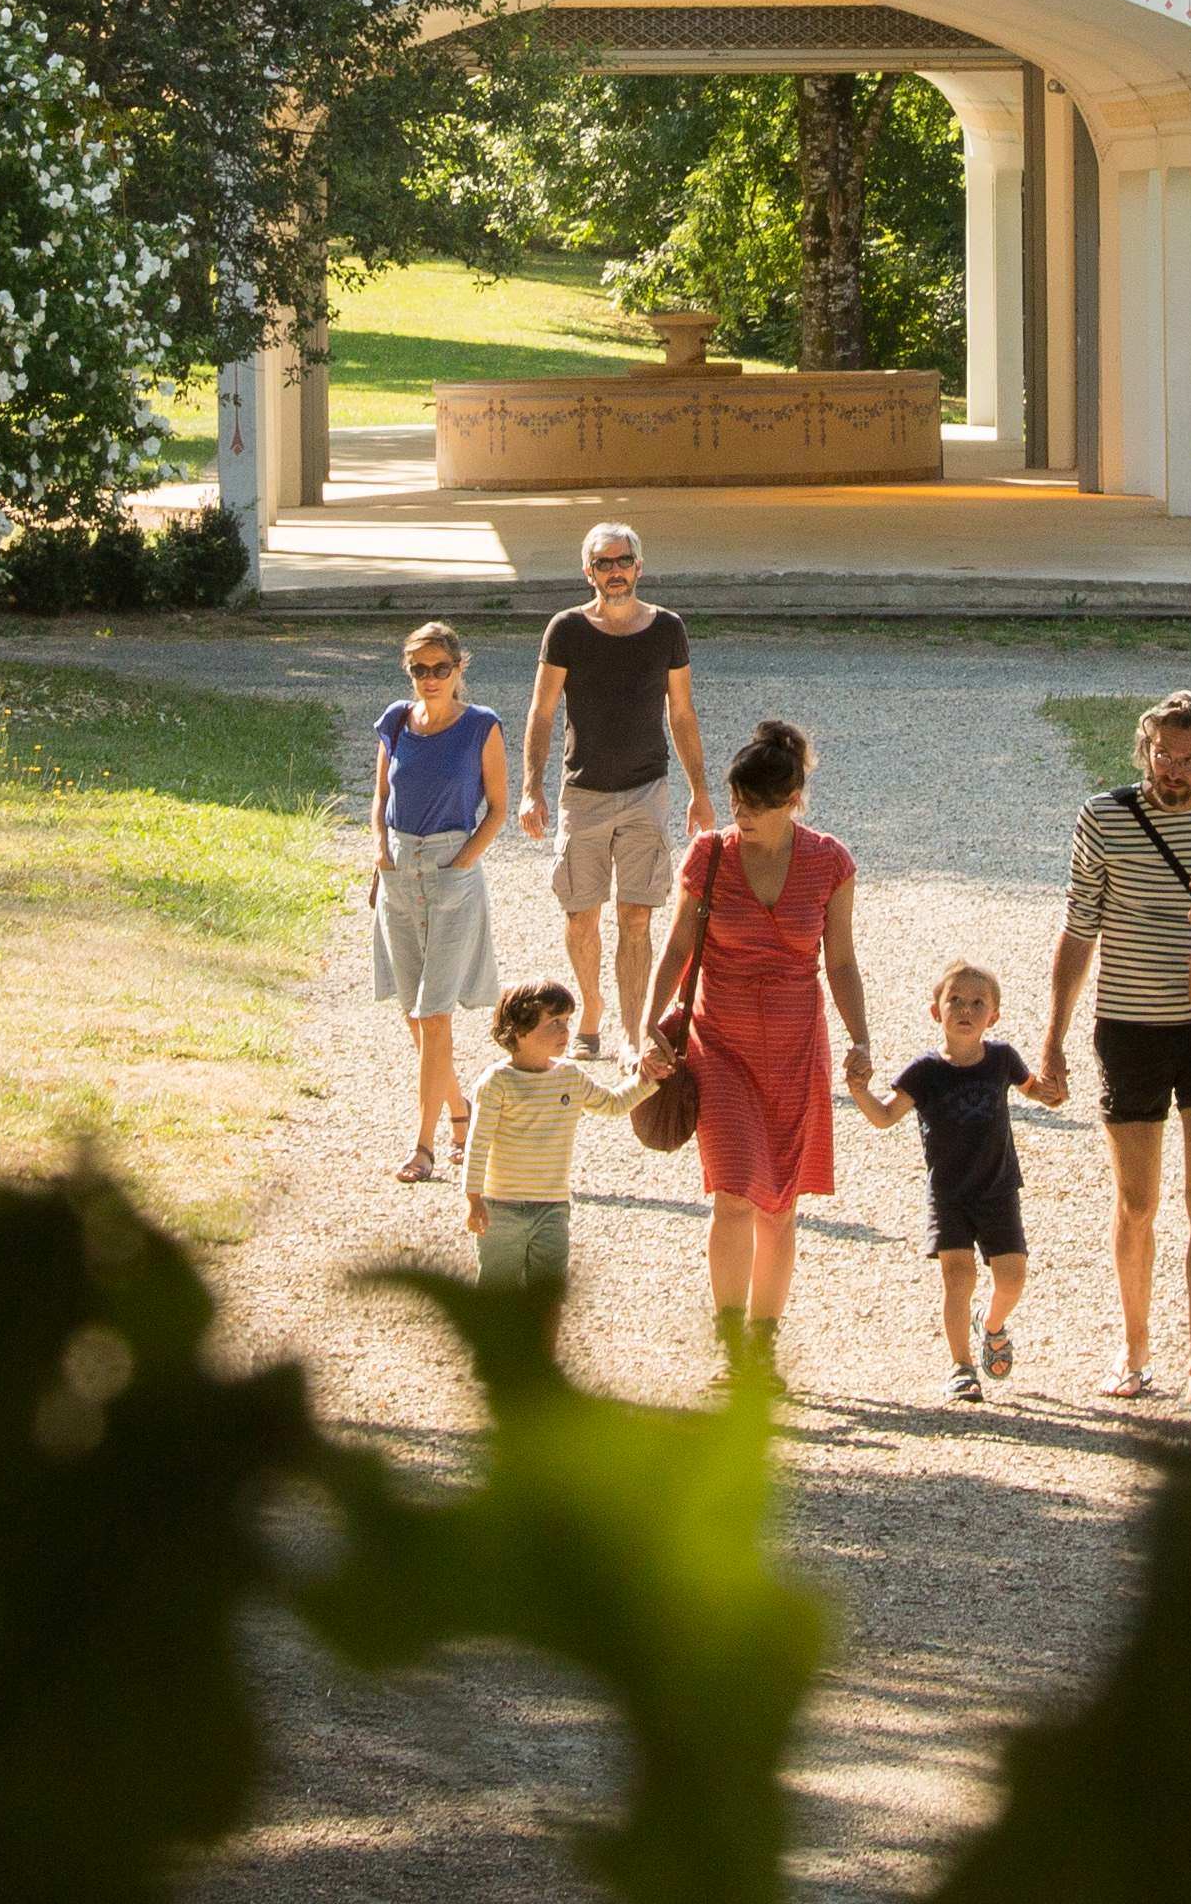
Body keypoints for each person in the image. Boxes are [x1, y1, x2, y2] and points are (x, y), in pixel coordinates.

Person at [1041, 687, 1191, 1407]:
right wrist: (1052, 1040)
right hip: (1129, 1026)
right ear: (1145, 748)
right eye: (1165, 756)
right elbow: (1080, 929)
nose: (1175, 770)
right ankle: (1135, 1348)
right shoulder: (1105, 816)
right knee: (1138, 1201)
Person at [643, 715, 874, 1386]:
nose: (740, 814)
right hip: (722, 1047)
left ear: (792, 799)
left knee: (781, 1205)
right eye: (737, 800)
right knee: (734, 1196)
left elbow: (843, 964)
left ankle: (764, 1343)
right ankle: (730, 1345)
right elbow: (679, 948)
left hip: (799, 1050)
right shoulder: (708, 855)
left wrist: (861, 1038)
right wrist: (647, 1025)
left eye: (756, 804)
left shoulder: (830, 862)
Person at [520, 523, 714, 1058]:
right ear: (588, 572)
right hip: (581, 792)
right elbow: (542, 711)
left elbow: (682, 712)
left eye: (622, 561)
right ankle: (592, 1007)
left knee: (636, 915)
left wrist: (699, 790)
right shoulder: (566, 630)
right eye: (603, 563)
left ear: (639, 566)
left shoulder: (667, 629)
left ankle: (633, 1035)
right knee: (581, 915)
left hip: (645, 791)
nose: (614, 572)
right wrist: (531, 789)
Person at [861, 963, 1064, 1402]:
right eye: (955, 1000)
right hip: (948, 1195)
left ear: (994, 1016)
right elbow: (884, 1117)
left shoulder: (1003, 1059)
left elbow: (1033, 1089)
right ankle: (961, 1367)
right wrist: (858, 1089)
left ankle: (990, 1325)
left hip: (998, 1189)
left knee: (1011, 1279)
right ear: (936, 1011)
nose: (966, 1010)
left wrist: (1050, 1092)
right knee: (958, 1278)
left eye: (978, 1003)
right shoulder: (924, 1072)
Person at [364, 624, 512, 1184]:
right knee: (412, 1013)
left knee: (435, 1014)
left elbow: (497, 807)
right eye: (419, 671)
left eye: (439, 669)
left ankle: (422, 1146)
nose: (429, 680)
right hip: (399, 869)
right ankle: (461, 1114)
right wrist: (381, 850)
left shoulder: (481, 726)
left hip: (452, 869)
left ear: (458, 669)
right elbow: (381, 797)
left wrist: (462, 862)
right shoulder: (396, 721)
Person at [462, 980, 644, 1300]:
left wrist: (648, 1080)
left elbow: (613, 1103)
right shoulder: (497, 1083)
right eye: (554, 1022)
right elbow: (478, 1144)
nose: (565, 1032)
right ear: (519, 1030)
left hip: (553, 1209)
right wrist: (473, 1198)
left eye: (567, 1022)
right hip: (500, 1208)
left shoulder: (570, 1077)